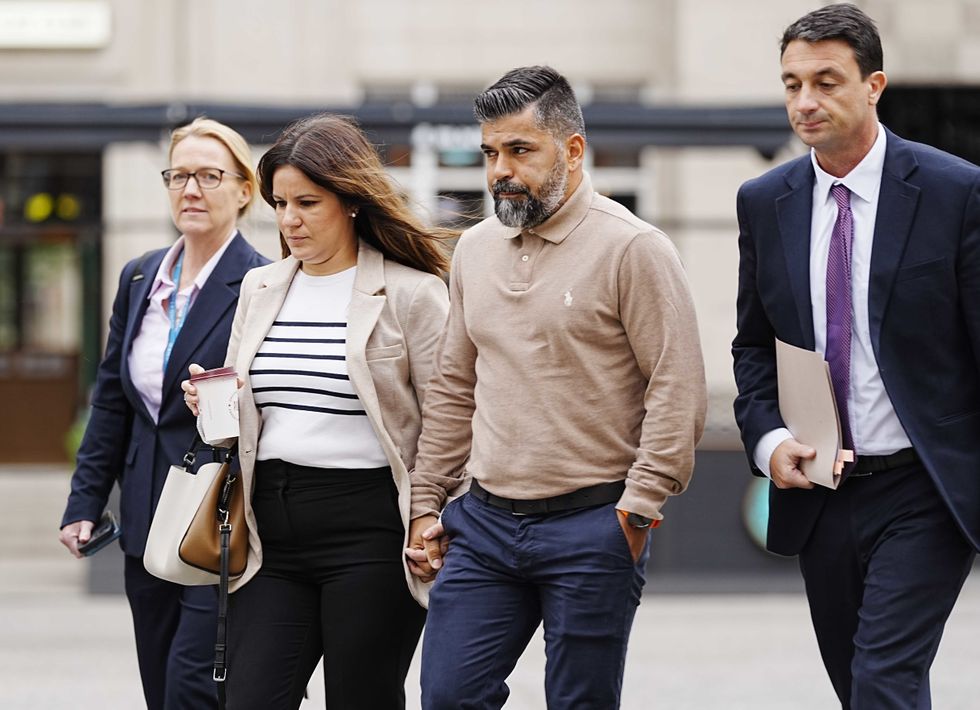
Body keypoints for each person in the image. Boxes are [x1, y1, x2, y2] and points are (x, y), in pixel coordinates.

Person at [405, 65, 706, 709]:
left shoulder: (635, 249)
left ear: (572, 150)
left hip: (593, 525)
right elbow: (455, 387)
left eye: (519, 150)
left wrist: (637, 510)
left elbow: (677, 389)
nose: (498, 171)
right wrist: (426, 504)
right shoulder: (475, 251)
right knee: (448, 696)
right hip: (482, 525)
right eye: (490, 152)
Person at [732, 4, 980, 708]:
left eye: (826, 81)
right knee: (859, 685)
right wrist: (770, 441)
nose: (804, 102)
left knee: (884, 679)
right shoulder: (764, 202)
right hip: (822, 493)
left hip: (923, 486)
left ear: (874, 85)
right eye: (791, 84)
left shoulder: (954, 192)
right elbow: (753, 348)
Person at [182, 113, 452, 710]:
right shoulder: (261, 288)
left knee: (361, 698)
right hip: (270, 532)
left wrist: (431, 515)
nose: (289, 220)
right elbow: (243, 426)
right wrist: (214, 404)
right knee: (251, 699)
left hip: (370, 532)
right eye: (279, 203)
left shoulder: (414, 295)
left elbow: (451, 421)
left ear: (351, 201)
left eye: (307, 202)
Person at [58, 117, 269, 709]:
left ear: (244, 189)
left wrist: (225, 399)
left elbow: (271, 399)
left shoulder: (260, 282)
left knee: (192, 686)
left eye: (209, 175)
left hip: (216, 517)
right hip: (144, 514)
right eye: (179, 176)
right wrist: (85, 502)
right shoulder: (139, 277)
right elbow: (111, 400)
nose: (191, 190)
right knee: (159, 682)